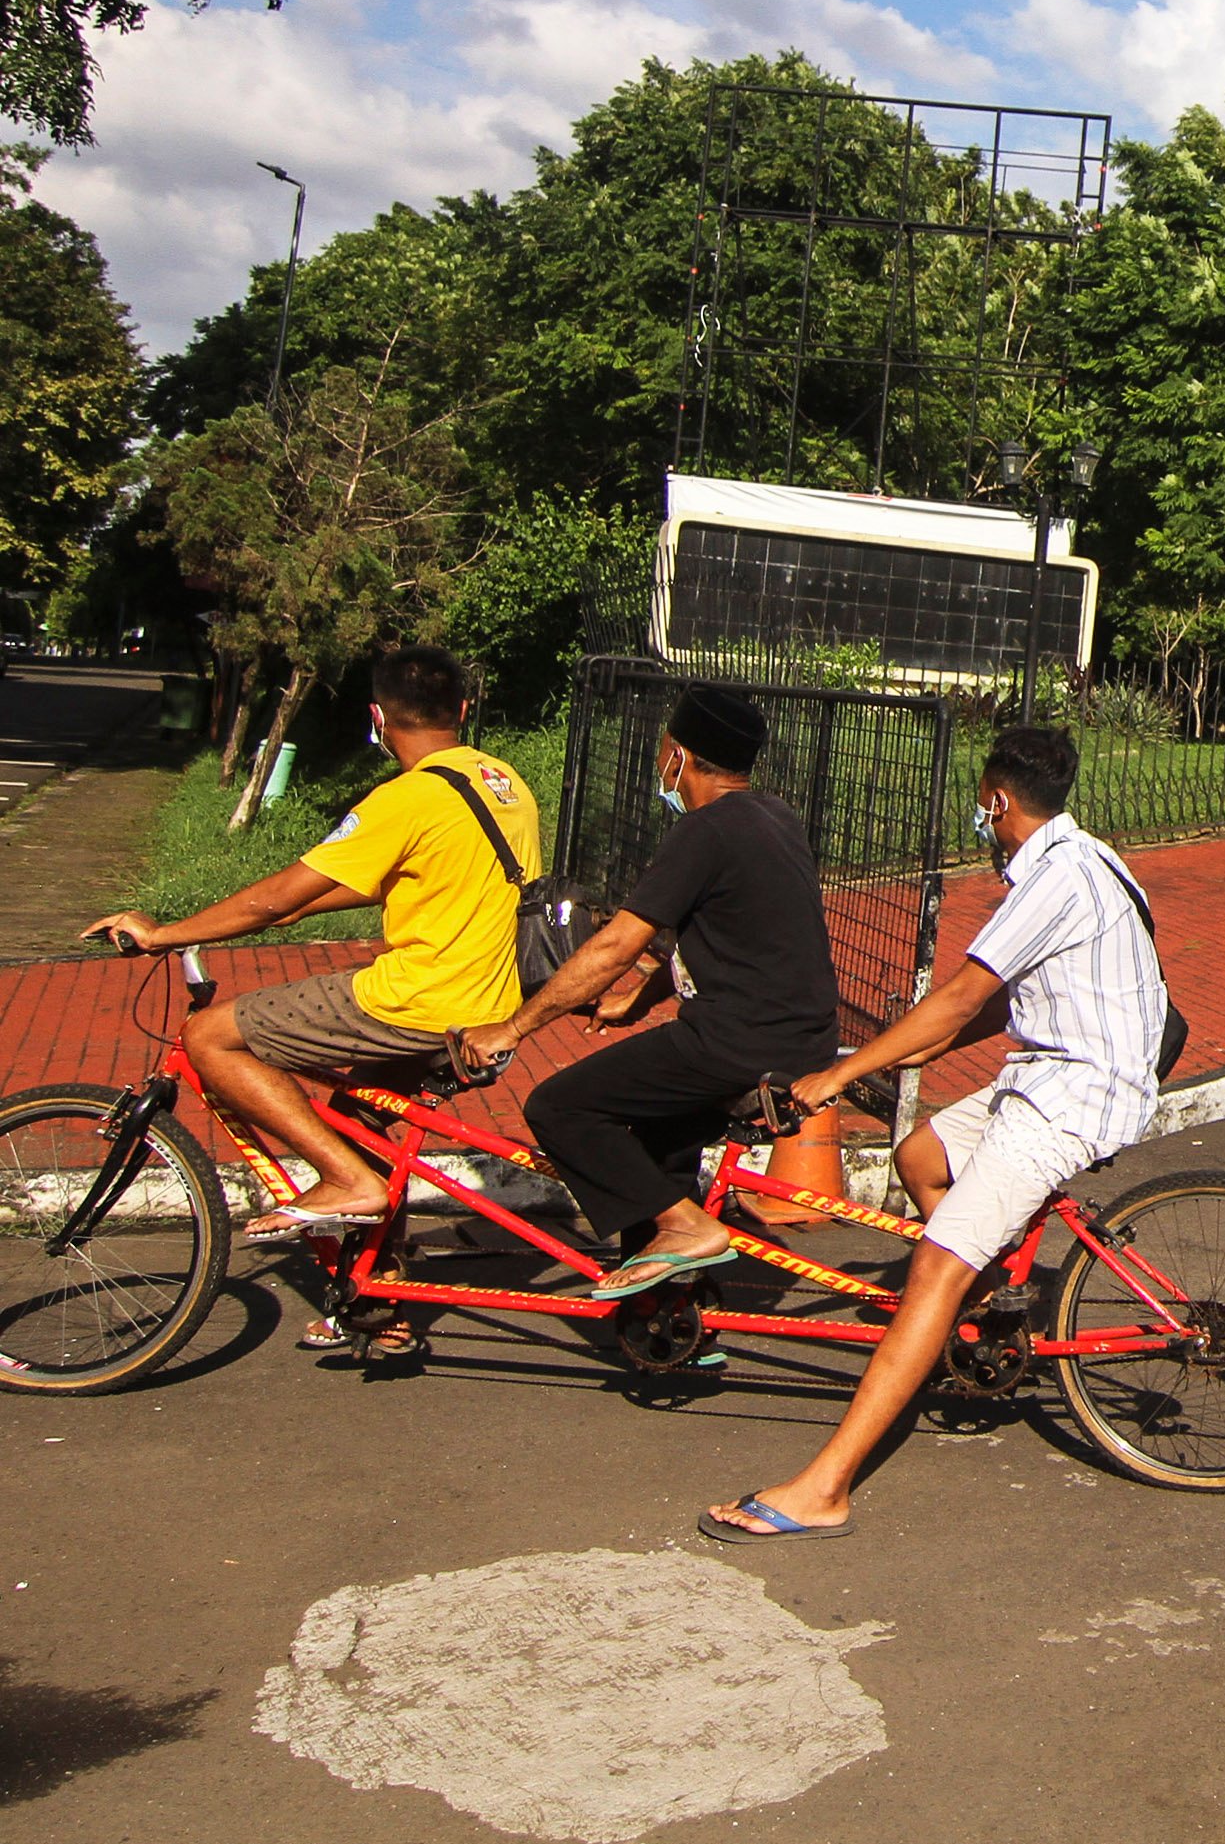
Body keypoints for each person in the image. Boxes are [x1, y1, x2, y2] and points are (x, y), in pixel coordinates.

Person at [704, 722, 1166, 1541]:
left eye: (982, 807)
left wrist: (840, 1076)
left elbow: (958, 998)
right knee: (920, 1153)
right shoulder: (1089, 853)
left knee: (933, 1268)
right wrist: (911, 1044)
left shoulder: (1054, 879)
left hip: (1075, 1096)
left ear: (998, 799)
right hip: (1050, 1071)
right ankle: (995, 1315)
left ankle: (826, 1485)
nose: (979, 823)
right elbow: (985, 1007)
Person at [81, 643, 533, 1245]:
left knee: (208, 1035)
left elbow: (277, 898)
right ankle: (378, 1300)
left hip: (420, 1000)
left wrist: (164, 933)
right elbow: (416, 878)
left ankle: (349, 1182)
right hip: (491, 1001)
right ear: (464, 709)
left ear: (378, 717)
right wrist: (288, 913)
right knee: (356, 1120)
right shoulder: (503, 781)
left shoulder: (404, 798)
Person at [463, 681, 841, 1301]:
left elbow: (616, 946)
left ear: (678, 754)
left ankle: (687, 1227)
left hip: (733, 1043)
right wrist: (637, 1001)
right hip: (802, 1039)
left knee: (560, 1107)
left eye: (662, 747)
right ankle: (668, 1312)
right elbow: (720, 931)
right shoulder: (777, 818)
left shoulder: (704, 831)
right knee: (657, 1144)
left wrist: (512, 1029)